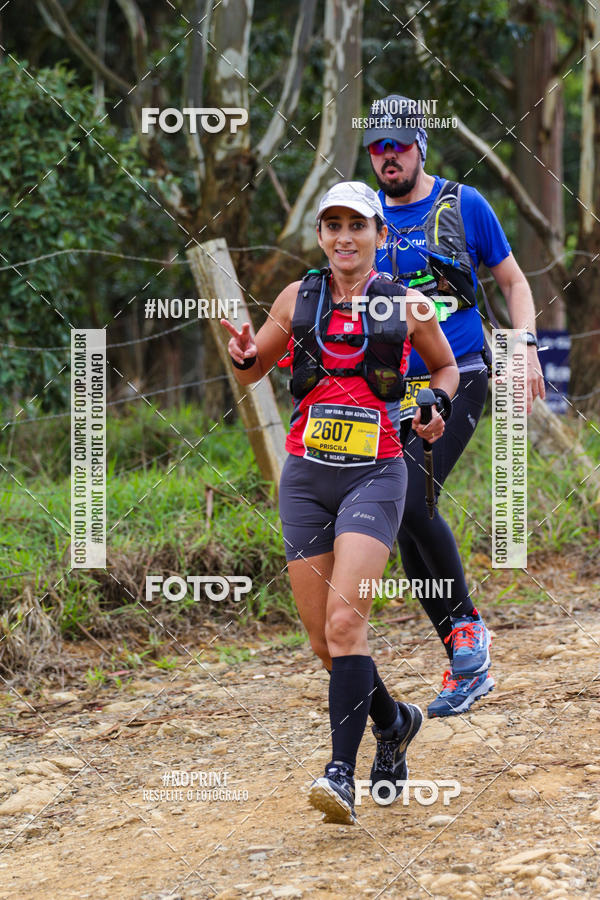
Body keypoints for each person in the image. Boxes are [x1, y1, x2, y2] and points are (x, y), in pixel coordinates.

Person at [221, 181, 459, 824]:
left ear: (381, 235)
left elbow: (445, 371)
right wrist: (243, 355)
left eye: (358, 224)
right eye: (332, 225)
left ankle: (338, 773)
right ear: (321, 235)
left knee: (346, 625)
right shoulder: (298, 298)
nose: (344, 236)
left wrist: (433, 409)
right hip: (304, 477)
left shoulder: (410, 305)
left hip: (374, 474)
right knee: (326, 644)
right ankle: (395, 721)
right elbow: (252, 367)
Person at [362, 95, 546, 717]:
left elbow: (514, 282)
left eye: (399, 146)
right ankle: (465, 660)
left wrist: (523, 349)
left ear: (419, 146)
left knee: (411, 498)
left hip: (460, 372)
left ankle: (468, 637)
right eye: (379, 149)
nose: (390, 158)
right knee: (410, 514)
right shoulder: (364, 217)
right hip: (393, 390)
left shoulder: (464, 205)